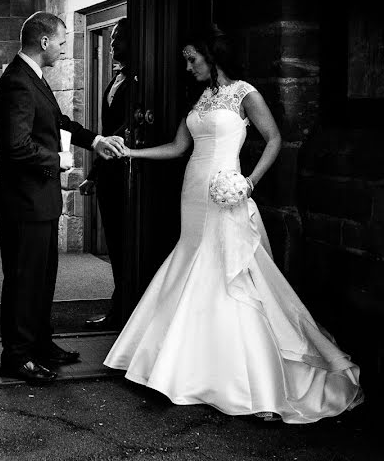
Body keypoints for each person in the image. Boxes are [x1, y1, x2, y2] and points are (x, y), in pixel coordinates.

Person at [103, 26, 363, 423]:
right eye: (186, 60)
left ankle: (246, 380)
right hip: (193, 192)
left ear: (213, 56)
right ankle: (179, 364)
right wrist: (132, 154)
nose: (188, 67)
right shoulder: (202, 98)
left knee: (229, 273)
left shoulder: (245, 93)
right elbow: (178, 147)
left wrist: (248, 182)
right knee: (191, 259)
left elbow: (274, 139)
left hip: (228, 191)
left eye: (193, 59)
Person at [0, 11, 127, 385]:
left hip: (39, 201)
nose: (65, 50)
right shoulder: (17, 83)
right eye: (63, 43)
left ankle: (40, 344)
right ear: (45, 42)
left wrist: (95, 141)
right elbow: (17, 148)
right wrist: (60, 159)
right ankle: (17, 357)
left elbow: (59, 122)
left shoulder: (34, 78)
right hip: (23, 204)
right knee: (23, 280)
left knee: (43, 277)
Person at [80, 17, 134, 330]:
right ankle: (119, 306)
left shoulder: (141, 82)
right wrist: (94, 174)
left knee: (127, 246)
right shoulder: (115, 80)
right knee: (114, 244)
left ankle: (125, 309)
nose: (112, 45)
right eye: (111, 40)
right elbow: (106, 133)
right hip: (109, 175)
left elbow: (122, 132)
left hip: (129, 176)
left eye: (118, 39)